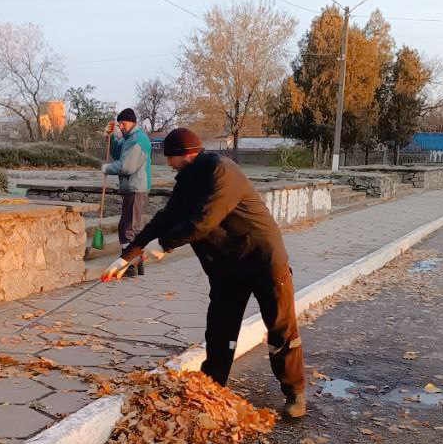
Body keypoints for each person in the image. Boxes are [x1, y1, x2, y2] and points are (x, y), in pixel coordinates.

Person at [102, 127, 307, 419]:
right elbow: (167, 217)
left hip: (263, 259)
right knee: (220, 331)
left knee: (281, 328)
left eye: (169, 158)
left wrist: (165, 245)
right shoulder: (188, 179)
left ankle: (294, 391)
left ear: (184, 155)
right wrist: (128, 255)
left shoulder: (223, 172)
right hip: (227, 267)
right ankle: (211, 391)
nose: (167, 164)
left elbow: (205, 220)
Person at [101, 108, 153, 277]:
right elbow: (118, 154)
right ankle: (137, 263)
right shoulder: (130, 138)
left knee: (128, 227)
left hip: (135, 188)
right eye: (119, 124)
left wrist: (107, 168)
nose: (121, 126)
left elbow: (126, 166)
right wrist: (110, 138)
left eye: (123, 123)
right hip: (134, 188)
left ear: (132, 122)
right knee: (130, 226)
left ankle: (130, 265)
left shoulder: (138, 140)